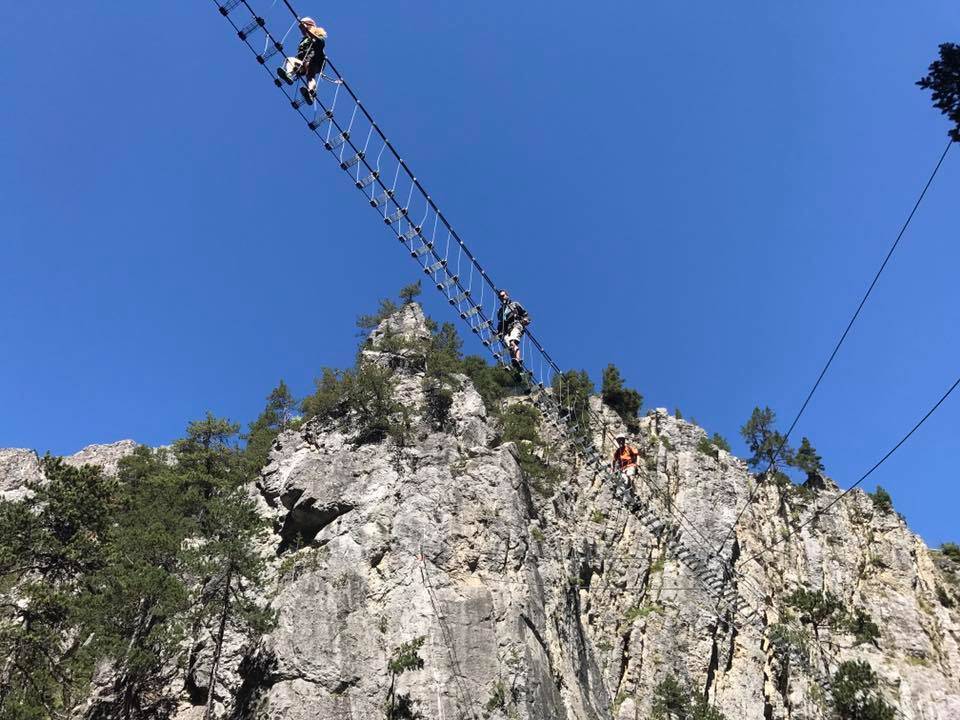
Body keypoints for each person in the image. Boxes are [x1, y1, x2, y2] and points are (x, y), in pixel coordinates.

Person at [277, 17, 327, 103]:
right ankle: (288, 75)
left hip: (316, 59)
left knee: (310, 76)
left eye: (302, 27)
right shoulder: (304, 40)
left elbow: (320, 42)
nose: (301, 30)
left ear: (309, 24)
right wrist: (297, 69)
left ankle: (311, 92)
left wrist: (308, 31)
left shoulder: (318, 33)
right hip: (305, 61)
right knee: (290, 60)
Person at [496, 289, 529, 368]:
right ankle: (515, 362)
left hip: (516, 325)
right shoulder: (500, 311)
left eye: (503, 296)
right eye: (500, 297)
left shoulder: (514, 304)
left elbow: (525, 314)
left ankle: (518, 359)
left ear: (507, 295)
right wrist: (497, 332)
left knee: (512, 342)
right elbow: (501, 323)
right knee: (509, 347)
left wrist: (525, 320)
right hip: (506, 330)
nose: (502, 298)